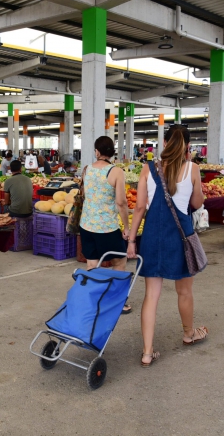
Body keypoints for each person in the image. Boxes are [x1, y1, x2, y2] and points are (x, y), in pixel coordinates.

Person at [127, 125, 208, 368]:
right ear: (187, 146)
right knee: (184, 291)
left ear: (164, 143)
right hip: (180, 236)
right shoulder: (192, 168)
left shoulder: (148, 168)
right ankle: (188, 333)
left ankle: (147, 352)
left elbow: (139, 208)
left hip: (152, 235)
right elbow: (197, 202)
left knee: (151, 295)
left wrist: (131, 240)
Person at [79, 136, 132, 315]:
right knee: (119, 262)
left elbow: (86, 194)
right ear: (112, 152)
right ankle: (118, 302)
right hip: (107, 227)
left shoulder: (87, 170)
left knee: (93, 264)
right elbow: (121, 202)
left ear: (97, 151)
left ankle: (94, 300)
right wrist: (126, 226)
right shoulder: (116, 171)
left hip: (86, 225)